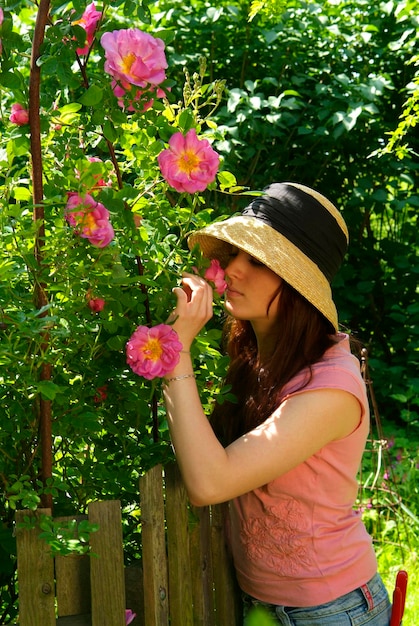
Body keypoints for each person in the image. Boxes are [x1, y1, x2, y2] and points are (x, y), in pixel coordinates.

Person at [162, 182, 392, 625]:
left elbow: (210, 483)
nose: (234, 270)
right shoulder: (256, 354)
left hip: (332, 611)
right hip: (265, 604)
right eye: (235, 254)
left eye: (258, 260)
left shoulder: (332, 388)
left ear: (297, 283)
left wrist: (176, 350)